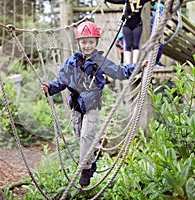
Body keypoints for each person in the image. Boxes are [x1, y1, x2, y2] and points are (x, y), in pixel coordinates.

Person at [41, 21, 146, 187]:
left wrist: (138, 67)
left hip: (91, 105)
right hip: (76, 105)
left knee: (86, 137)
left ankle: (85, 169)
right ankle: (91, 164)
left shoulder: (100, 61)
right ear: (78, 43)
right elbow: (61, 81)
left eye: (91, 42)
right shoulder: (71, 62)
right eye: (84, 42)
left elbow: (119, 72)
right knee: (79, 135)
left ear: (96, 42)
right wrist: (50, 87)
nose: (87, 45)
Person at [105, 0, 152, 65]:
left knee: (135, 45)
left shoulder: (141, 1)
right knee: (128, 45)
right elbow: (115, 1)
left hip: (137, 25)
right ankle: (128, 65)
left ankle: (134, 64)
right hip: (127, 25)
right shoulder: (127, 1)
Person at [151, 2, 165, 67]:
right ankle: (155, 62)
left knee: (158, 48)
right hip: (156, 36)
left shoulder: (156, 15)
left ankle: (156, 62)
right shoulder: (157, 15)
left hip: (157, 35)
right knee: (158, 49)